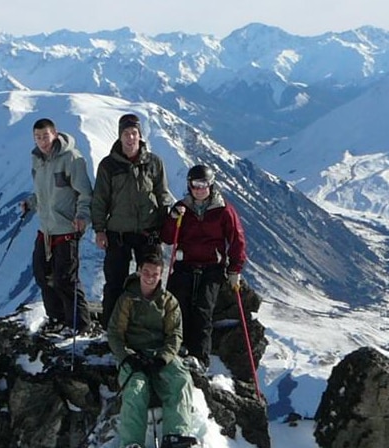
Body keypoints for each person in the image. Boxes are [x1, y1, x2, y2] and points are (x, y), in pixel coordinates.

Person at [91, 113, 174, 329]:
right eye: (126, 134)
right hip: (118, 233)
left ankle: (151, 327)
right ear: (119, 136)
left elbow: (162, 193)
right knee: (115, 284)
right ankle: (111, 328)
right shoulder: (108, 166)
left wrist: (168, 225)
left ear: (140, 135)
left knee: (151, 282)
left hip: (149, 232)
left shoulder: (154, 163)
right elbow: (100, 200)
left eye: (134, 133)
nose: (130, 138)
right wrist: (99, 230)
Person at [161, 164, 246, 371]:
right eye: (195, 184)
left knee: (203, 309)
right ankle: (177, 347)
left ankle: (199, 357)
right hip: (185, 264)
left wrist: (235, 269)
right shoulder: (182, 208)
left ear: (211, 184)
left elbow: (237, 239)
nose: (199, 189)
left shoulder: (223, 209)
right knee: (177, 305)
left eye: (204, 184)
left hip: (211, 267)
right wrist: (173, 219)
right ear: (189, 185)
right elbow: (167, 237)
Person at [107, 253, 197, 448]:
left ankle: (176, 435)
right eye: (146, 272)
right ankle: (132, 443)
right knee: (136, 387)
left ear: (161, 275)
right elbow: (115, 333)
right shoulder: (127, 299)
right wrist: (126, 357)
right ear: (139, 271)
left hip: (159, 353)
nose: (149, 277)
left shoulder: (168, 302)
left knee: (181, 380)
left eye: (155, 274)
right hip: (133, 354)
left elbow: (175, 334)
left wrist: (163, 358)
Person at [21, 118, 92, 335]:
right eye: (38, 137)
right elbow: (44, 192)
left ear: (55, 134)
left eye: (45, 136)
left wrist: (82, 216)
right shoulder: (38, 160)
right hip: (46, 229)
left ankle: (79, 324)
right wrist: (31, 203)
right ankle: (57, 318)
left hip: (67, 228)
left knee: (65, 279)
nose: (42, 141)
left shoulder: (71, 159)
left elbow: (85, 193)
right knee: (42, 275)